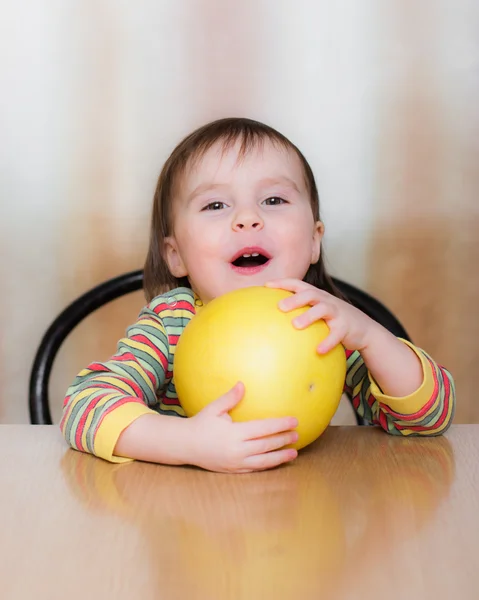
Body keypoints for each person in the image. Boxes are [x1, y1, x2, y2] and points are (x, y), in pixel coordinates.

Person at [61, 117, 455, 473]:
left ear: (315, 241)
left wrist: (370, 337)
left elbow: (429, 419)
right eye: (215, 204)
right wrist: (186, 443)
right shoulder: (170, 323)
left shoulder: (322, 321)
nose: (248, 218)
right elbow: (85, 406)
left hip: (306, 509)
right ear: (176, 255)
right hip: (189, 513)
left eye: (274, 200)